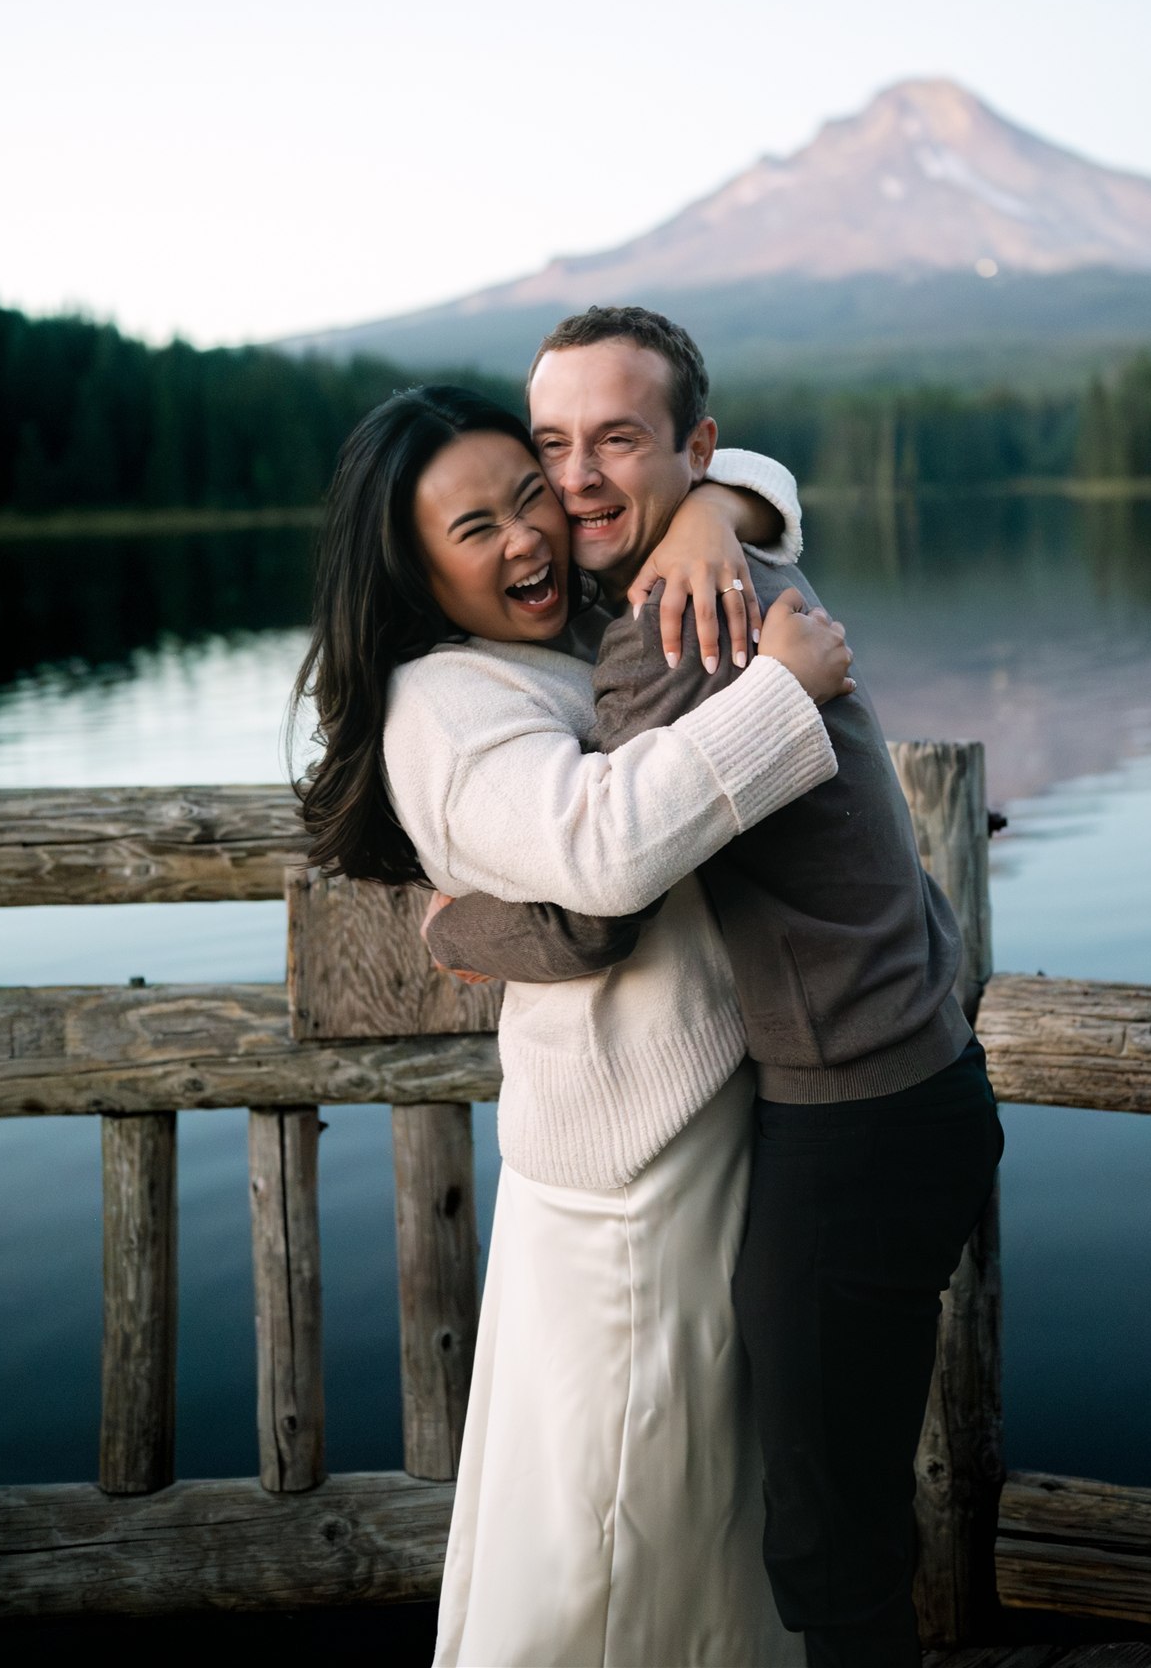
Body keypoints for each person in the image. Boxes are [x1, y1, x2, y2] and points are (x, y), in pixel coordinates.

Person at [427, 306, 1005, 1668]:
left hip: (859, 1120)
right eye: (551, 444)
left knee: (822, 1530)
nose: (573, 477)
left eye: (614, 441)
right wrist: (714, 504)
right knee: (830, 1497)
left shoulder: (682, 624)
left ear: (689, 446)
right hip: (900, 1092)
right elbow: (748, 491)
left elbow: (594, 908)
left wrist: (451, 925)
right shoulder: (701, 558)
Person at [292, 382, 854, 1667]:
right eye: (476, 525)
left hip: (691, 1133)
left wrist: (713, 504)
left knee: (691, 1505)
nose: (529, 536)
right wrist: (784, 690)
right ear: (416, 568)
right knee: (608, 1520)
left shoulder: (570, 629)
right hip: (624, 1177)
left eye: (532, 491)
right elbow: (598, 855)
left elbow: (736, 476)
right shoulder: (445, 699)